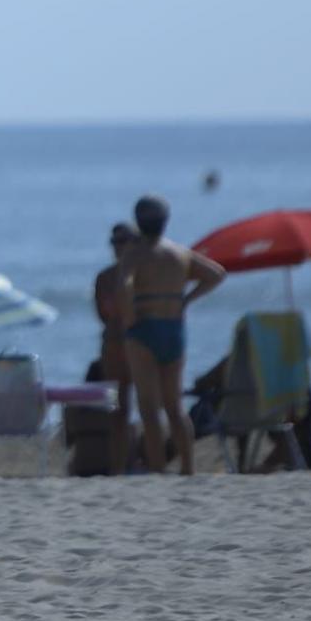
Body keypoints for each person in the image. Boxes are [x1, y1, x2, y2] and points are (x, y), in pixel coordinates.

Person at [117, 195, 226, 476]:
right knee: (175, 406)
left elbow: (125, 285)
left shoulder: (134, 253)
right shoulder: (179, 253)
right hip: (173, 328)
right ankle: (188, 468)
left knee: (149, 408)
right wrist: (187, 299)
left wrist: (128, 316)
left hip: (144, 329)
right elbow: (216, 274)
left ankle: (157, 469)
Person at [90, 224, 138, 475]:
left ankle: (151, 465)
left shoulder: (144, 274)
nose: (118, 247)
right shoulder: (104, 277)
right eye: (115, 242)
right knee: (118, 413)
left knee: (153, 409)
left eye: (124, 241)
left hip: (138, 345)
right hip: (114, 346)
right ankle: (119, 469)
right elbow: (104, 315)